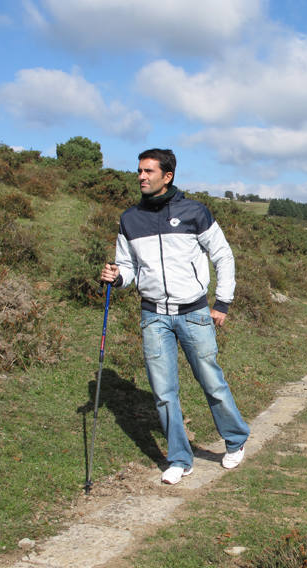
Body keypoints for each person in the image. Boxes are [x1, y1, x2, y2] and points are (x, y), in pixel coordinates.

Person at [100, 148, 249, 485]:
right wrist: (116, 277)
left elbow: (223, 256)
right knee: (164, 392)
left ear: (167, 176)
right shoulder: (130, 219)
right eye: (139, 171)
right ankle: (180, 458)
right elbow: (128, 269)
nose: (141, 176)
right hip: (153, 316)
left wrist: (222, 303)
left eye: (148, 171)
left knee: (211, 381)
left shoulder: (195, 212)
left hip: (194, 313)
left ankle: (235, 439)